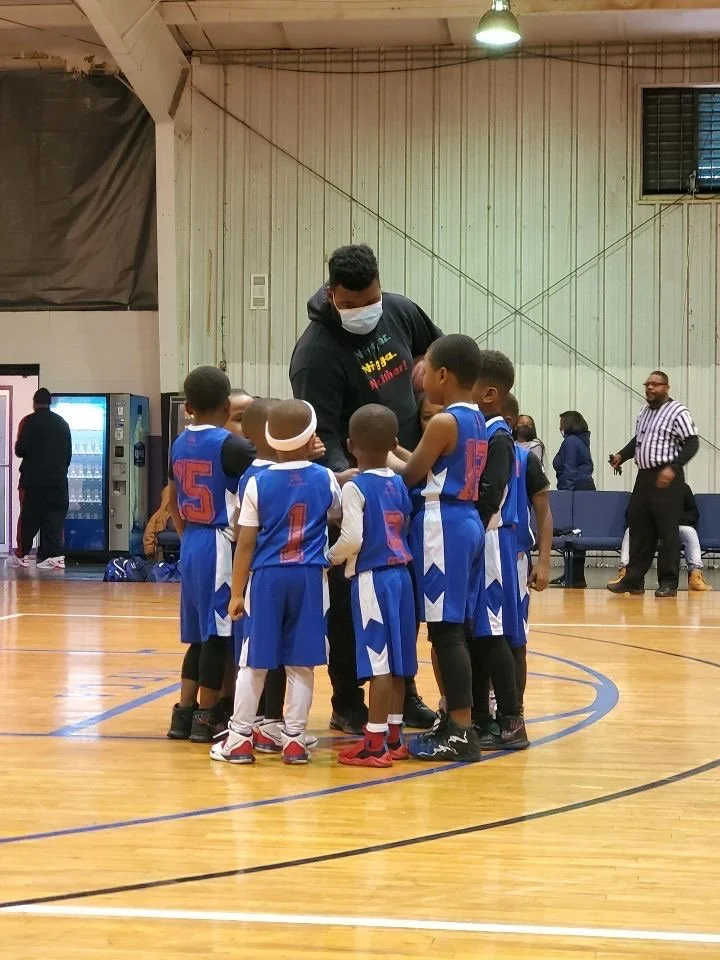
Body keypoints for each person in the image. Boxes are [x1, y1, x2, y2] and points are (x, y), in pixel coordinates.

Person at [290, 243, 440, 733]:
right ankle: (348, 700)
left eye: (368, 300)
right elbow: (324, 433)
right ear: (332, 294)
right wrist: (346, 480)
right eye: (350, 304)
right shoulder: (316, 354)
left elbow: (435, 350)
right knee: (352, 603)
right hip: (359, 489)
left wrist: (427, 378)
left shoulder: (397, 310)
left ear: (379, 286)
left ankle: (403, 692)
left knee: (401, 597)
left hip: (407, 477)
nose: (362, 311)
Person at [211, 400, 341, 766]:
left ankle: (239, 739)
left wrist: (237, 592)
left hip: (267, 578)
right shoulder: (324, 477)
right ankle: (295, 739)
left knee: (254, 660)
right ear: (311, 437)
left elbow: (245, 542)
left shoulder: (257, 482)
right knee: (301, 662)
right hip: (311, 578)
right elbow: (335, 513)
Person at [389, 334, 486, 762]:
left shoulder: (444, 422)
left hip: (442, 524)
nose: (420, 375)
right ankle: (457, 721)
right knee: (454, 630)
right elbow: (432, 466)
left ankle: (461, 729)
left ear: (443, 374)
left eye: (425, 367)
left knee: (445, 632)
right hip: (464, 521)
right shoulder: (476, 418)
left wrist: (375, 461)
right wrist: (392, 449)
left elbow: (412, 475)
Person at [166, 366, 254, 744]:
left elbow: (172, 500)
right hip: (220, 541)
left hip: (192, 541)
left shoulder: (178, 442)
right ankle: (207, 716)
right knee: (218, 634)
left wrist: (187, 537)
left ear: (187, 406)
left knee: (199, 637)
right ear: (226, 405)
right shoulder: (230, 445)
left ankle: (182, 713)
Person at [329, 405, 417, 767]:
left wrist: (328, 556)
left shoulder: (355, 486)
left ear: (350, 445)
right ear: (395, 444)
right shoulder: (398, 482)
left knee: (378, 663)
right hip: (402, 576)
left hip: (373, 578)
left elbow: (351, 538)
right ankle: (394, 736)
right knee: (398, 663)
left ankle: (374, 743)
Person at [469, 352, 528, 750]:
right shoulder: (487, 432)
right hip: (487, 538)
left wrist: (467, 522)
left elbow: (491, 494)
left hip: (491, 538)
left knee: (492, 632)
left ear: (489, 394)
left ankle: (510, 720)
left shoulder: (499, 436)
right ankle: (481, 717)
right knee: (479, 633)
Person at [608, 371, 699, 598]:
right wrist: (622, 455)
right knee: (639, 527)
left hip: (668, 476)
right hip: (645, 477)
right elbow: (639, 441)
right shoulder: (644, 412)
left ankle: (668, 582)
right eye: (647, 384)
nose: (650, 388)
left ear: (666, 387)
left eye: (655, 385)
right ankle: (634, 580)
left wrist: (673, 467)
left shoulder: (677, 411)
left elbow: (692, 442)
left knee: (667, 530)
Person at [504, 393, 553, 710]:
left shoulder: (525, 460)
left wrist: (545, 562)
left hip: (516, 557)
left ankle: (513, 711)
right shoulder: (472, 454)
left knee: (515, 640)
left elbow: (544, 514)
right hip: (478, 556)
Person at [9, 387, 72, 570]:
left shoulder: (28, 421)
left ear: (34, 403)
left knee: (29, 519)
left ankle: (22, 555)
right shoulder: (62, 423)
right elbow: (68, 455)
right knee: (54, 518)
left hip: (33, 482)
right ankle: (55, 556)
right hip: (58, 482)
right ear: (50, 403)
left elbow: (20, 450)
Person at [608, 482, 710, 592]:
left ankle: (695, 575)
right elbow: (631, 513)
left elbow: (693, 514)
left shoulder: (683, 488)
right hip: (649, 528)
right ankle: (625, 573)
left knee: (690, 532)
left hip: (675, 527)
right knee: (630, 531)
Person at [552, 410, 595, 588]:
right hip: (586, 489)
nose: (559, 427)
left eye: (562, 423)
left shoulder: (570, 442)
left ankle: (574, 577)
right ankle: (576, 575)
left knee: (571, 531)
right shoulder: (583, 441)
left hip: (575, 489)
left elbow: (569, 469)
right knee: (578, 533)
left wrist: (565, 495)